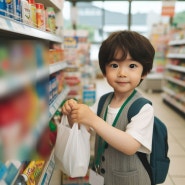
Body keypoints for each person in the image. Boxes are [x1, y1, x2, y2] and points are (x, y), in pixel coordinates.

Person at [61, 30, 155, 185]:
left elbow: (131, 145)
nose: (122, 73)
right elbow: (84, 126)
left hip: (130, 179)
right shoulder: (103, 101)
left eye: (132, 66)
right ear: (104, 71)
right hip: (101, 174)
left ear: (144, 71)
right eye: (114, 65)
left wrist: (94, 120)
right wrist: (73, 113)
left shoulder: (143, 108)